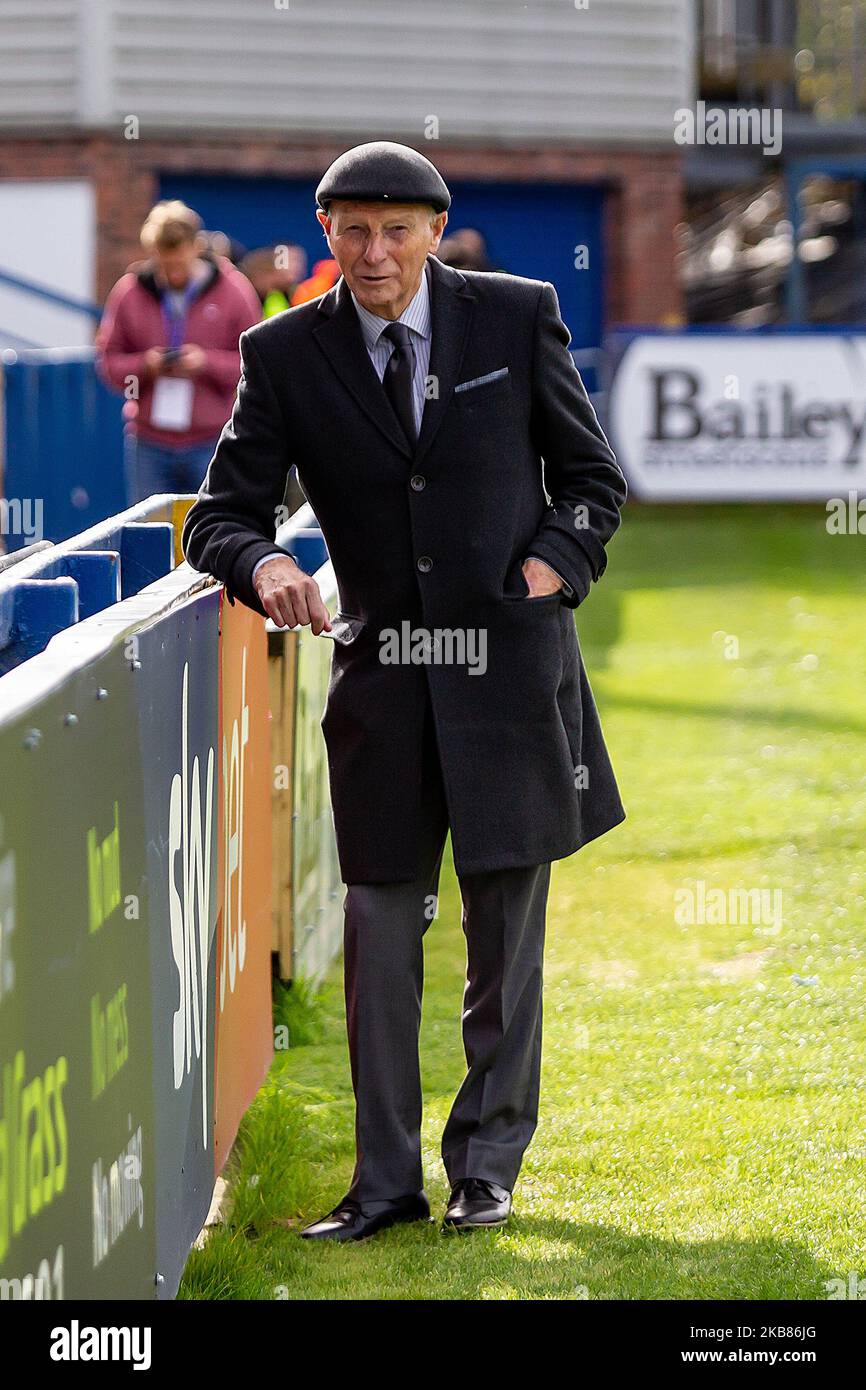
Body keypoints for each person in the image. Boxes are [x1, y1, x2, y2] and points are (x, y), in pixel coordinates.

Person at [182, 141, 627, 1241]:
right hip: (381, 688)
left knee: (501, 943)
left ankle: (484, 1166)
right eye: (352, 230)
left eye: (395, 229)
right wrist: (267, 565)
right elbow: (221, 514)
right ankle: (383, 1185)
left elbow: (590, 481)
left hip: (512, 683)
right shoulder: (282, 352)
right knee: (381, 937)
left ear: (435, 228)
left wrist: (549, 568)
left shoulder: (515, 316)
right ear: (323, 233)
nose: (373, 252)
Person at [96, 200, 261, 502]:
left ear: (196, 247)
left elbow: (254, 364)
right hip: (148, 441)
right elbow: (108, 363)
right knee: (150, 536)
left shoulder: (234, 290)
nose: (172, 275)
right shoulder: (129, 293)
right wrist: (146, 365)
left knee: (212, 531)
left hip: (212, 439)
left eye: (179, 265)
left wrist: (205, 363)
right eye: (164, 266)